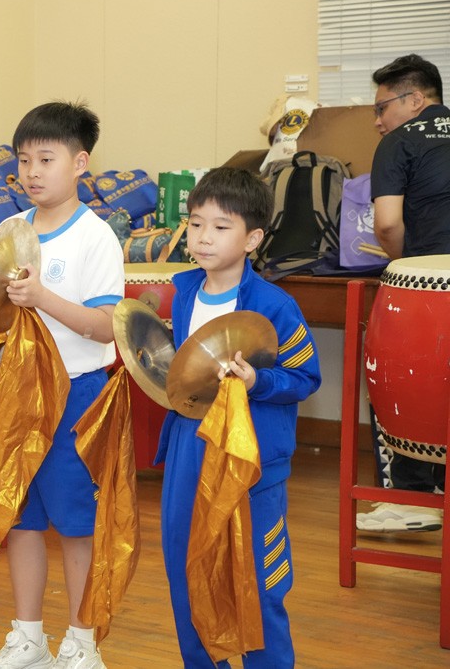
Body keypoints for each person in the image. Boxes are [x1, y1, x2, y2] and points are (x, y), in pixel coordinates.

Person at [0, 101, 125, 669]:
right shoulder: (9, 232)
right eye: (23, 160)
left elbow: (105, 326)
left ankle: (83, 643)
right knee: (22, 519)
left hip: (76, 395)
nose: (32, 172)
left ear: (80, 163)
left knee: (77, 525)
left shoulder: (95, 237)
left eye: (46, 159)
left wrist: (42, 298)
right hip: (17, 395)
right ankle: (29, 638)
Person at [155, 168, 321, 667]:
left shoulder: (275, 305)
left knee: (258, 581)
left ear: (252, 238)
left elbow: (305, 377)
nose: (203, 237)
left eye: (220, 226)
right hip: (190, 446)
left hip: (252, 460)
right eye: (195, 224)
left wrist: (258, 382)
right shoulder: (183, 292)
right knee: (187, 567)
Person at [356, 53, 450, 533]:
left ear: (414, 100)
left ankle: (413, 499)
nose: (377, 121)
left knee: (407, 383)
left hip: (431, 289)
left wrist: (404, 264)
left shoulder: (400, 141)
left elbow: (388, 223)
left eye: (382, 108)